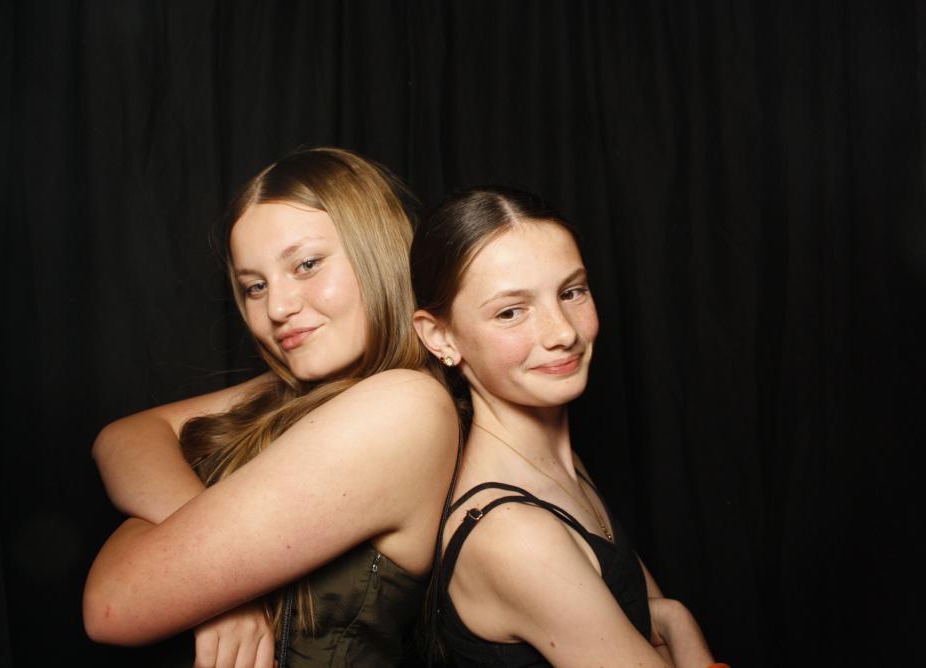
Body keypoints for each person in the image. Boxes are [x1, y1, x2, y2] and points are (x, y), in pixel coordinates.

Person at [83, 147, 460, 667]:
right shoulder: (303, 388)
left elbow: (113, 603)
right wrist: (218, 584)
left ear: (380, 252)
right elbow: (124, 436)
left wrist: (202, 575)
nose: (277, 308)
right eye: (254, 286)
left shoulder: (404, 405)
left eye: (307, 265)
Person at [410, 186, 724, 667]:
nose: (563, 332)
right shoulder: (514, 533)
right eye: (511, 311)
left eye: (571, 292)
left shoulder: (554, 465)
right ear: (441, 337)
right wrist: (678, 619)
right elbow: (654, 622)